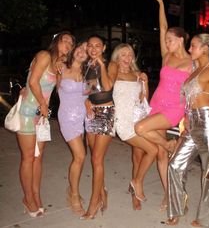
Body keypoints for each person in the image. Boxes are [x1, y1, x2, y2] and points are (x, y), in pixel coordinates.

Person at [135, 0, 192, 211]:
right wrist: (160, 3)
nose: (166, 41)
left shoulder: (191, 64)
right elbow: (163, 28)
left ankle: (169, 145)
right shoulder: (166, 56)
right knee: (160, 155)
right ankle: (171, 196)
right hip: (156, 104)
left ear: (181, 40)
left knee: (140, 128)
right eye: (166, 39)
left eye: (170, 39)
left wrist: (187, 121)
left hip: (174, 109)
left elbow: (193, 94)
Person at [165, 31, 209, 227]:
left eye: (193, 46)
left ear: (205, 49)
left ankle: (205, 220)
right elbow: (189, 102)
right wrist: (185, 122)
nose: (190, 49)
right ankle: (177, 208)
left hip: (208, 124)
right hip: (191, 123)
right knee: (174, 165)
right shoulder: (195, 70)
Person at [17, 31, 75, 217]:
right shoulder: (44, 55)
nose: (67, 44)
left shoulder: (59, 65)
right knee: (28, 157)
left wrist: (61, 73)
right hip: (28, 112)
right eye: (64, 40)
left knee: (38, 157)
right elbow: (33, 82)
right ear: (56, 42)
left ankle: (36, 195)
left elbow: (57, 91)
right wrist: (42, 104)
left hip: (41, 117)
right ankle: (27, 198)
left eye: (70, 43)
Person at [111, 43, 158, 210]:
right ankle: (136, 182)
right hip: (122, 122)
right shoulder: (112, 72)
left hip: (137, 120)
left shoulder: (137, 74)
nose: (127, 58)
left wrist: (145, 83)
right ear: (117, 57)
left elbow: (143, 100)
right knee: (153, 150)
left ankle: (136, 191)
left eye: (129, 54)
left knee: (138, 157)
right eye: (123, 55)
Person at [80, 35, 116, 220]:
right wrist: (87, 100)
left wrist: (101, 64)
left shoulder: (111, 64)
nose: (93, 49)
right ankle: (103, 192)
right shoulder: (86, 66)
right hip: (91, 113)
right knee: (94, 156)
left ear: (103, 48)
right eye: (90, 46)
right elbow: (90, 90)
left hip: (106, 112)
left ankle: (94, 203)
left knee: (96, 159)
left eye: (97, 46)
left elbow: (108, 86)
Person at [57, 41, 88, 215]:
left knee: (80, 158)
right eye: (80, 48)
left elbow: (90, 94)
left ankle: (73, 188)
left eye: (86, 50)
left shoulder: (88, 72)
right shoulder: (61, 67)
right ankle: (74, 194)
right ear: (74, 50)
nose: (82, 52)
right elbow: (46, 83)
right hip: (68, 117)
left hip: (83, 119)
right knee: (80, 155)